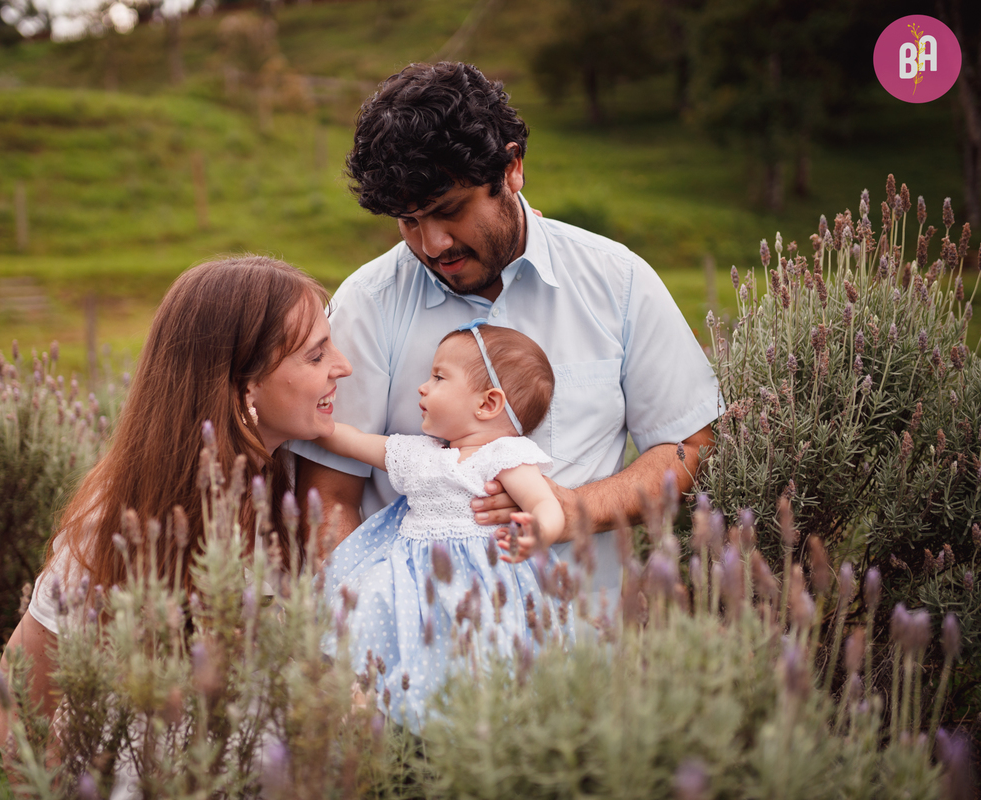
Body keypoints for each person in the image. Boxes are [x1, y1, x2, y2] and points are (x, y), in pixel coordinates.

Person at [290, 62, 720, 602]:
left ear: (512, 168)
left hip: (585, 652)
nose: (433, 244)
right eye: (409, 222)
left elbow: (687, 446)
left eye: (449, 210)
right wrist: (365, 634)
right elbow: (328, 496)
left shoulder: (617, 280)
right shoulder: (366, 304)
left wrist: (573, 509)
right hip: (409, 662)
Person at [0, 256, 352, 783]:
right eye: (316, 354)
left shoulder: (303, 491)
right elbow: (23, 683)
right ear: (244, 387)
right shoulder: (122, 521)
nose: (341, 366)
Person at [315, 319, 571, 727]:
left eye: (438, 377)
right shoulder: (418, 453)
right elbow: (352, 440)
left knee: (481, 654)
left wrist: (540, 533)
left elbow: (544, 501)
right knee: (371, 608)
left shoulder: (503, 456)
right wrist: (308, 425)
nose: (423, 387)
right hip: (407, 579)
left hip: (481, 583)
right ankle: (366, 701)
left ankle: (470, 722)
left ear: (488, 404)